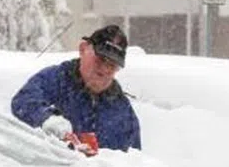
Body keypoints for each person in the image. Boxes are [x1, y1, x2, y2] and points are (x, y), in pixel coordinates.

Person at [11, 24, 141, 152]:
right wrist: (48, 120)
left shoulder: (124, 113)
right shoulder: (55, 80)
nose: (104, 69)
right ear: (83, 49)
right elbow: (23, 102)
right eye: (100, 59)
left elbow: (135, 160)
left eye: (112, 65)